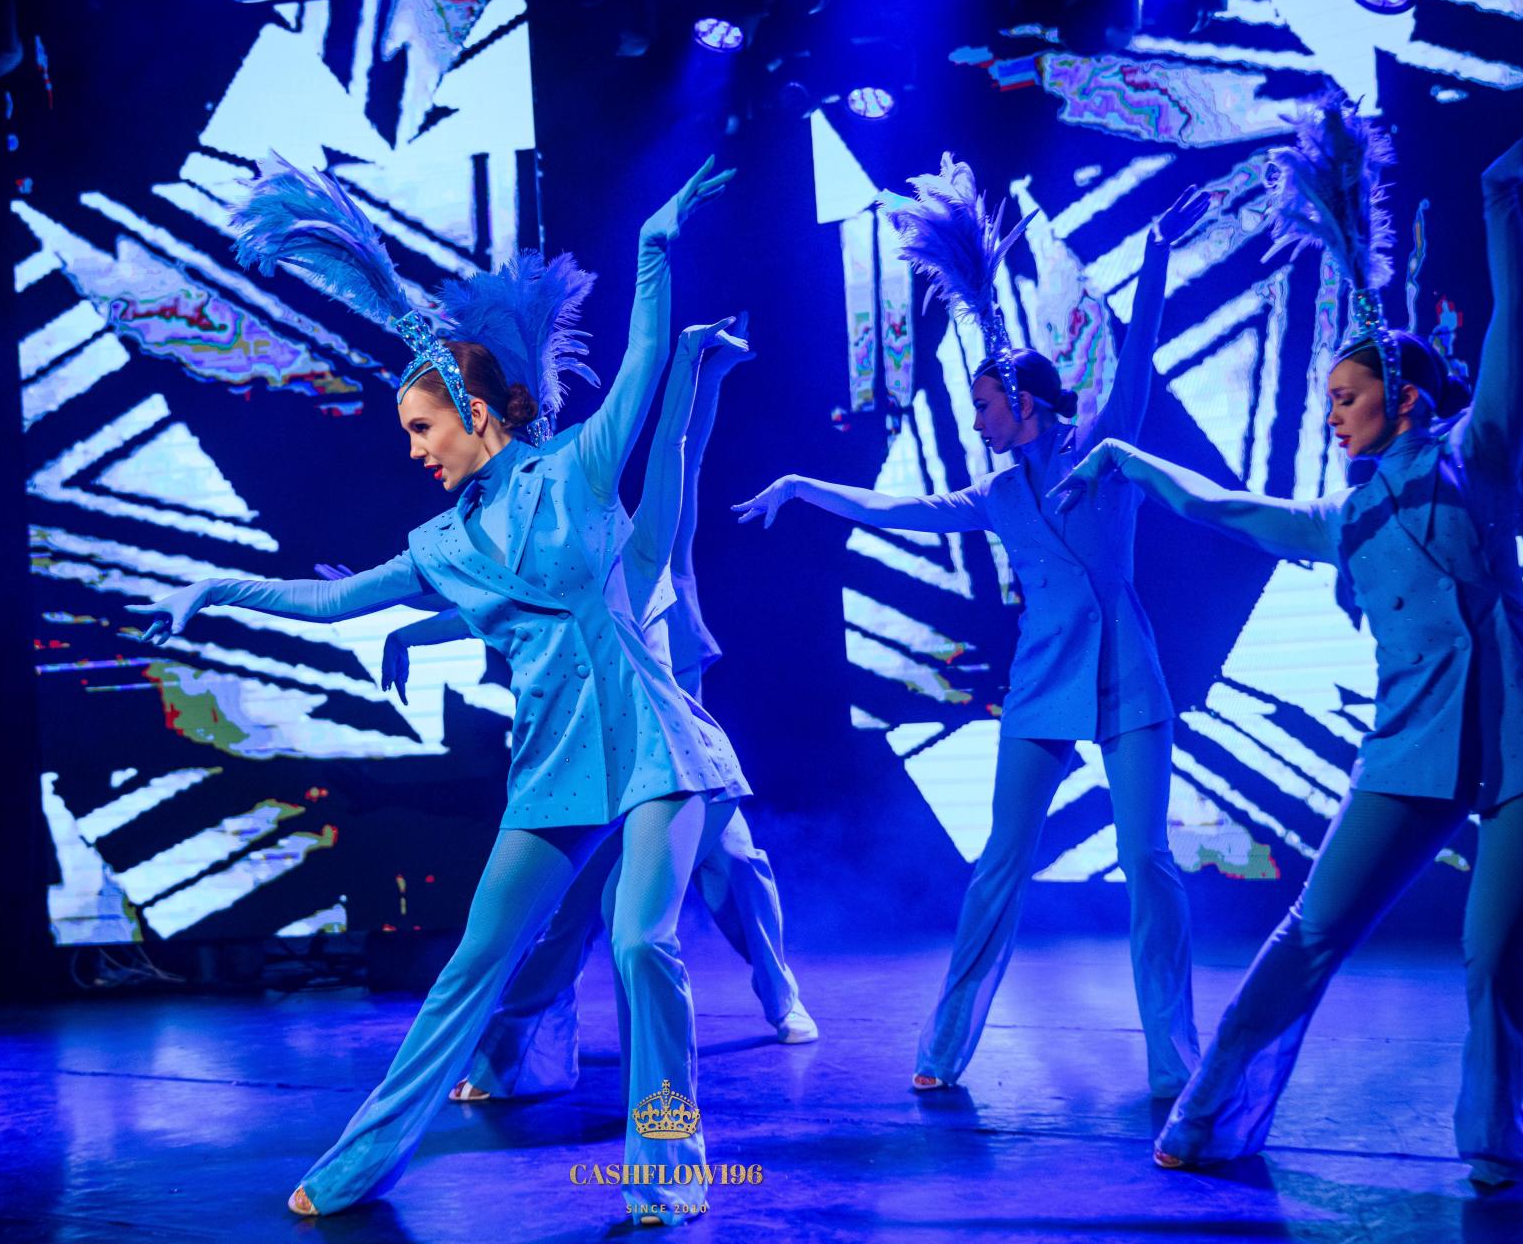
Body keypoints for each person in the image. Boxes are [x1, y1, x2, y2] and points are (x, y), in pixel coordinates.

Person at [130, 154, 746, 1224]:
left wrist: (653, 246)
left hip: (655, 742)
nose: (414, 451)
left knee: (643, 941)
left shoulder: (579, 467)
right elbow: (329, 603)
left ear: (471, 408)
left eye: (422, 428)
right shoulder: (439, 546)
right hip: (553, 765)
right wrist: (213, 589)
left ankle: (671, 1165)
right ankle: (361, 1162)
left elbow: (646, 360)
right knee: (471, 965)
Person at [1051, 105, 1523, 1185]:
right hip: (1410, 747)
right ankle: (1208, 1117)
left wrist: (1499, 199)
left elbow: (1516, 322)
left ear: (1404, 397)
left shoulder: (1481, 452)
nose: (1332, 417)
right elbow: (1223, 506)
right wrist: (1125, 455)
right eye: (1327, 403)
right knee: (1310, 932)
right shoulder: (1342, 519)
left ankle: (1497, 1141)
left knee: (1497, 950)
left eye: (1346, 398)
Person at [733, 157, 1212, 1098]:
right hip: (1042, 688)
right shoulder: (993, 493)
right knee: (998, 867)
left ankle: (1174, 1058)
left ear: (1024, 402)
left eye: (988, 406)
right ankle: (944, 1049)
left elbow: (1136, 362)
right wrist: (802, 485)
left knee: (1150, 866)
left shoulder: (1104, 454)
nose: (980, 420)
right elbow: (898, 510)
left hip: (1129, 682)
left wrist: (1155, 257)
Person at [380, 314, 815, 1109]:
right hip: (588, 752)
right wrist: (412, 628)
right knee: (573, 910)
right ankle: (518, 1054)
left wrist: (699, 374)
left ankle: (778, 992)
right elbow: (497, 599)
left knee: (733, 868)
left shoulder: (639, 539)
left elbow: (679, 453)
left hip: (673, 745)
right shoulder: (539, 537)